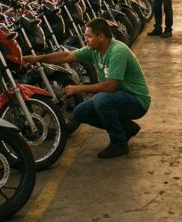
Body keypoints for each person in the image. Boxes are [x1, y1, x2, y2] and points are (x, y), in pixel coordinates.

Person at [22, 17, 151, 159]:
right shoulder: (94, 50)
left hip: (137, 101)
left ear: (101, 36)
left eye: (89, 36)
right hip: (117, 97)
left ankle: (119, 143)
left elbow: (110, 86)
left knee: (101, 100)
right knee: (80, 112)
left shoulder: (117, 51)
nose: (86, 40)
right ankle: (126, 128)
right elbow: (66, 56)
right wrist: (38, 59)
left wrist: (78, 88)